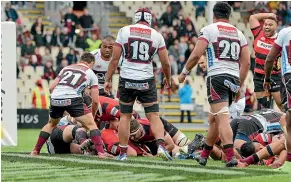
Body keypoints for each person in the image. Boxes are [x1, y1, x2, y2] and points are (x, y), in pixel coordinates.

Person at [178, 2, 250, 167]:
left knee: (222, 118)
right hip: (232, 78)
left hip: (217, 76)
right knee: (214, 119)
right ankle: (204, 155)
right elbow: (246, 63)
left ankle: (231, 157)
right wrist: (240, 84)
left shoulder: (209, 29)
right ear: (229, 16)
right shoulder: (239, 33)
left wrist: (184, 72)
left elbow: (197, 53)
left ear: (214, 15)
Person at [104, 8, 172, 161]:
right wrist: (168, 78)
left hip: (127, 78)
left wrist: (108, 80)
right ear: (149, 19)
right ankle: (161, 145)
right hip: (146, 79)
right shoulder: (156, 35)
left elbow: (115, 59)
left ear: (135, 19)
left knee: (125, 117)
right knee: (154, 116)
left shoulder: (124, 31)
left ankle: (122, 153)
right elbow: (166, 63)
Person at [30, 52, 112, 159]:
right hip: (72, 98)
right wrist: (92, 115)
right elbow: (96, 100)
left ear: (80, 60)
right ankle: (101, 153)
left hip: (56, 97)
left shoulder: (66, 68)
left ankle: (36, 150)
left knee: (50, 124)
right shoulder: (90, 73)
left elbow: (51, 88)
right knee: (92, 125)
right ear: (91, 63)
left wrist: (59, 99)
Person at [264, 26, 291, 173]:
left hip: (289, 77)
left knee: (290, 123)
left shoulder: (285, 32)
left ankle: (289, 162)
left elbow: (270, 58)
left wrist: (267, 78)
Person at [249, 13, 282, 110]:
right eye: (265, 24)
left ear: (276, 26)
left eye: (270, 25)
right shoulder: (258, 33)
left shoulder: (280, 39)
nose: (267, 27)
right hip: (259, 75)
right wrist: (269, 15)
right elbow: (253, 17)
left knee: (281, 105)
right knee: (264, 106)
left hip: (275, 76)